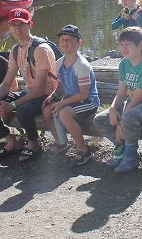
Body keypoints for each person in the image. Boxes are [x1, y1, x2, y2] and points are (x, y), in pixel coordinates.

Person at [0, 8, 58, 163]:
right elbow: (7, 82)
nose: (18, 29)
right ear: (9, 27)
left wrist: (12, 105)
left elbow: (40, 90)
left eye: (22, 25)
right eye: (14, 25)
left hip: (47, 96)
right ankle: (11, 140)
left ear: (30, 25)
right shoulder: (15, 50)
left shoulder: (41, 49)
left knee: (22, 110)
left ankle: (34, 143)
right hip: (29, 93)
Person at [93, 27, 142, 173]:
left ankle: (131, 157)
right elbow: (121, 93)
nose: (123, 48)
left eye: (128, 44)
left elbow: (137, 99)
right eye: (121, 44)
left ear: (140, 45)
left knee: (128, 117)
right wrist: (113, 108)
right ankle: (122, 149)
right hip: (132, 104)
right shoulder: (124, 64)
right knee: (100, 119)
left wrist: (120, 125)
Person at [41, 25, 100, 167]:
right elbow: (61, 87)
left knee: (64, 114)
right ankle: (61, 142)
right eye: (62, 39)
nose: (65, 43)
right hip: (71, 99)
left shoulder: (81, 65)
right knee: (47, 111)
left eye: (69, 40)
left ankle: (83, 150)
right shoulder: (59, 63)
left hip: (88, 101)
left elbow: (83, 94)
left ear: (79, 43)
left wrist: (61, 103)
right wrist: (53, 96)